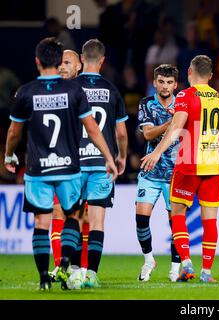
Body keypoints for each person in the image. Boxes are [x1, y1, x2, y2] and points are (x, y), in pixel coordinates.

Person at [4, 37, 117, 290]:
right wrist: (110, 157)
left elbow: (13, 132)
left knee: (41, 222)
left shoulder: (25, 92)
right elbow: (93, 129)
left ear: (36, 61)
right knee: (74, 216)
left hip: (37, 168)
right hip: (68, 166)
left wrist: (9, 155)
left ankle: (45, 277)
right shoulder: (73, 91)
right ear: (58, 63)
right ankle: (68, 261)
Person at [141, 55, 219, 283]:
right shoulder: (217, 97)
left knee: (177, 214)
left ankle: (186, 262)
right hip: (212, 165)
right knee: (210, 221)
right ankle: (206, 272)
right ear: (210, 75)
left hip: (188, 163)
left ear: (189, 72)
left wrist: (156, 153)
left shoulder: (186, 95)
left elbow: (177, 128)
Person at [66, 39, 128, 289]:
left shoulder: (70, 87)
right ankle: (91, 273)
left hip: (74, 161)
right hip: (103, 163)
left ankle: (70, 268)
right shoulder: (112, 90)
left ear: (82, 59)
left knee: (74, 216)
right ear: (102, 60)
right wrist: (121, 157)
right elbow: (121, 133)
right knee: (97, 220)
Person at [135, 64, 181, 282]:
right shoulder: (146, 103)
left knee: (176, 224)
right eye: (161, 82)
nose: (165, 86)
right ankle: (148, 260)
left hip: (175, 173)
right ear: (155, 83)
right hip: (150, 171)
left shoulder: (182, 103)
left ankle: (175, 267)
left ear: (176, 85)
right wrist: (171, 122)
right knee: (141, 219)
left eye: (169, 82)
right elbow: (148, 134)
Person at [50, 49, 88, 281]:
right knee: (57, 213)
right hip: (55, 163)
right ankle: (60, 266)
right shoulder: (47, 91)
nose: (62, 66)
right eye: (59, 63)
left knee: (81, 217)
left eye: (67, 62)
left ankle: (80, 268)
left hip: (83, 163)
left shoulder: (83, 93)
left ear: (79, 67)